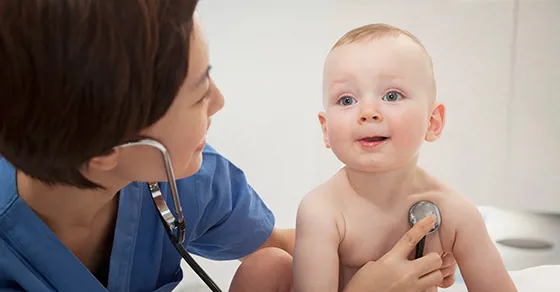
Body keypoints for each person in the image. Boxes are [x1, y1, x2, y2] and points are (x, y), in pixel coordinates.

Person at [0, 1, 457, 291]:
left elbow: (287, 245)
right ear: (103, 147)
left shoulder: (188, 181)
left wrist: (400, 249)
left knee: (269, 266)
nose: (219, 101)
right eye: (199, 93)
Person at [293, 23, 517, 292]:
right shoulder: (322, 212)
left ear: (432, 122)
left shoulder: (456, 214)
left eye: (391, 95)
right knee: (267, 268)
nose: (368, 112)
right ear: (326, 129)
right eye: (346, 100)